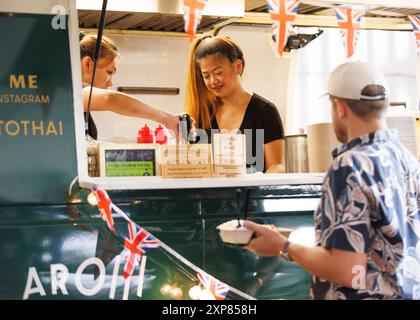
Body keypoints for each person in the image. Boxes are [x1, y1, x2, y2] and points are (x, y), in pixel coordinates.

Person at [243, 61, 420, 300]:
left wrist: (283, 247)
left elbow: (348, 270)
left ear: (340, 107)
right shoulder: (407, 160)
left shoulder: (349, 167)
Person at [184, 35, 285, 173]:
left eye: (218, 72)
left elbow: (277, 165)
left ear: (238, 66)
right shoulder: (201, 113)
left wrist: (257, 187)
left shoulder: (264, 111)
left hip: (254, 193)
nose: (213, 81)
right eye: (206, 76)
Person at [80, 32, 180, 140]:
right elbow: (111, 99)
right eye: (109, 72)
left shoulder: (80, 107)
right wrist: (168, 120)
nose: (110, 83)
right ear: (88, 64)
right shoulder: (72, 93)